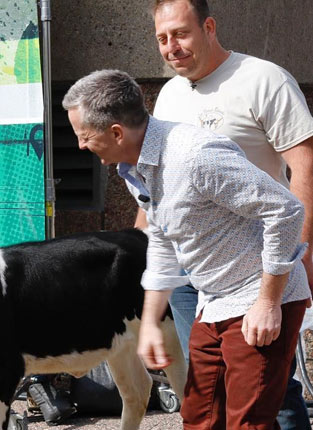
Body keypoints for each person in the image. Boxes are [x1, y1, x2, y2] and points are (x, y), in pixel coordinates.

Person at [63, 69, 310, 429]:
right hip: (212, 303)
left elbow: (285, 209)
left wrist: (268, 302)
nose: (81, 146)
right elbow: (162, 237)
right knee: (199, 418)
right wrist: (148, 321)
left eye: (84, 136)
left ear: (116, 132)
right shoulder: (135, 166)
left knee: (248, 422)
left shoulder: (194, 155)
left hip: (259, 298)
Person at [136, 1, 313, 428]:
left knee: (272, 392)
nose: (171, 47)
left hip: (253, 271)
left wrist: (297, 259)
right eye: (162, 38)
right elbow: (153, 192)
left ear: (209, 26)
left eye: (180, 34)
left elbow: (304, 169)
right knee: (205, 391)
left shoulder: (263, 79)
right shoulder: (169, 96)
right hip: (188, 277)